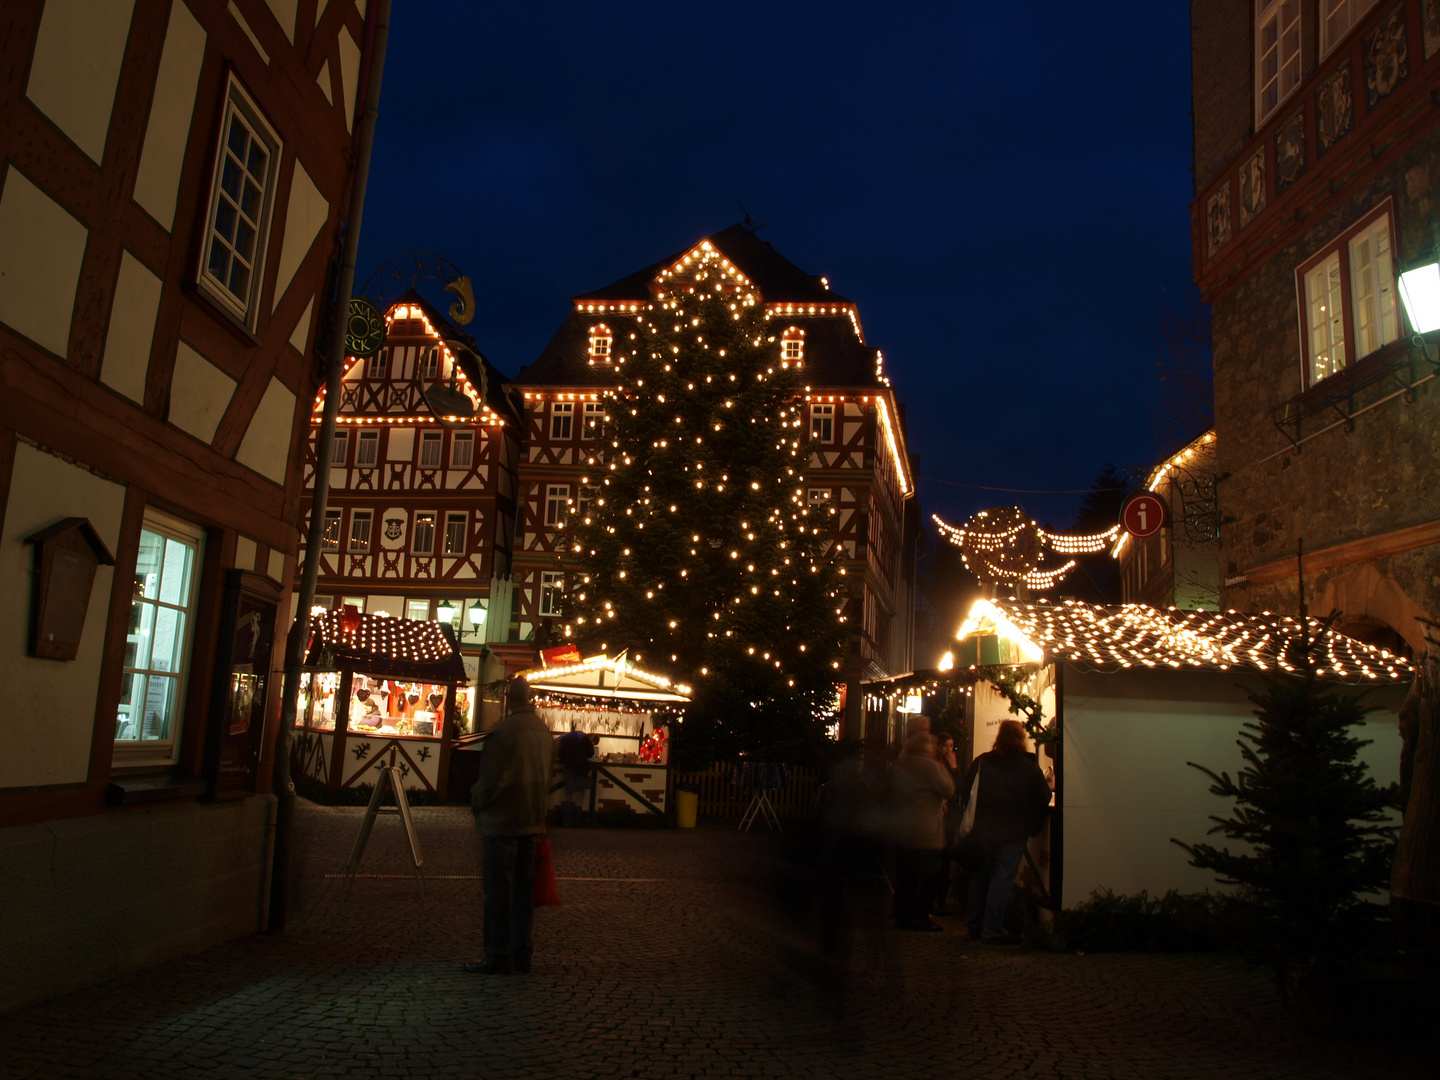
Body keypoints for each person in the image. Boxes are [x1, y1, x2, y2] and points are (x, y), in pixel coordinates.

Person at [466, 676, 555, 975]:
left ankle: (497, 955)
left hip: (502, 822)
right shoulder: (543, 731)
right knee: (522, 894)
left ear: (508, 698)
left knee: (498, 893)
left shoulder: (504, 732)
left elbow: (491, 781)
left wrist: (476, 803)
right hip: (531, 820)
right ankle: (522, 954)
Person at [959, 719, 1052, 944]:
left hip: (983, 831)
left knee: (980, 878)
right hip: (1012, 833)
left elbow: (965, 791)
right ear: (1021, 738)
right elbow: (1044, 796)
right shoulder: (1028, 766)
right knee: (1001, 881)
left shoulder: (983, 762)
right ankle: (993, 930)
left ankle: (974, 925)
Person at [888, 731, 954, 931]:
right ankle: (922, 916)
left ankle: (903, 917)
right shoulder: (931, 767)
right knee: (929, 877)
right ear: (927, 748)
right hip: (925, 833)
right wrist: (946, 767)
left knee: (906, 879)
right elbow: (949, 789)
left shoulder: (900, 766)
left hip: (902, 831)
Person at [556, 722, 595, 827]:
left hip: (568, 769)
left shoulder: (566, 739)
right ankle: (577, 822)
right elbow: (590, 753)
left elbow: (559, 753)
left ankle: (567, 821)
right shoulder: (584, 739)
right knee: (579, 797)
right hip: (582, 770)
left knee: (568, 796)